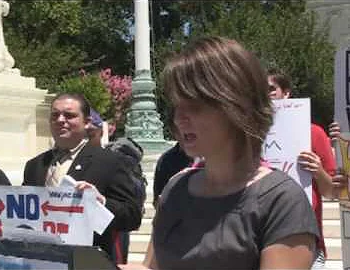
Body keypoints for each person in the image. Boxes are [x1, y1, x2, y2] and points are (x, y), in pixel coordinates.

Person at [123, 36, 319, 269]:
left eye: (194, 105)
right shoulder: (175, 187)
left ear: (236, 106)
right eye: (176, 105)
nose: (179, 118)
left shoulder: (281, 200)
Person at [22, 93, 142, 263]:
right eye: (55, 115)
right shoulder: (34, 165)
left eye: (69, 115)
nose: (60, 120)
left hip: (87, 262)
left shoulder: (110, 162)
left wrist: (102, 202)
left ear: (87, 122)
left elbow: (132, 217)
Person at [268, 69, 346, 268]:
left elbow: (332, 192)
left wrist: (318, 171)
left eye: (270, 89)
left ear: (286, 93)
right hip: (264, 243)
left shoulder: (314, 133)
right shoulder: (250, 136)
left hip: (308, 246)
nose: (265, 95)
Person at [152, 118, 193, 208]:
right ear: (174, 133)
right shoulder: (166, 161)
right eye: (183, 133)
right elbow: (158, 200)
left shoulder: (211, 157)